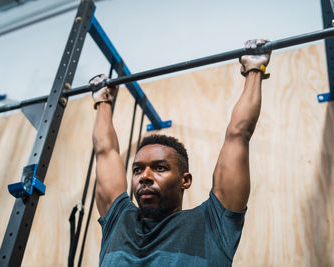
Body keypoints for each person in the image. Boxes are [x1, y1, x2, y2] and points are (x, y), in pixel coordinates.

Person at [90, 39, 271, 266]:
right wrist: (102, 100)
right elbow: (105, 151)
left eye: (160, 168)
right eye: (137, 170)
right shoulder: (119, 221)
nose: (145, 176)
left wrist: (255, 68)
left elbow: (239, 134)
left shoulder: (212, 224)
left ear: (185, 180)